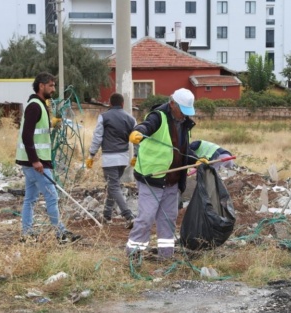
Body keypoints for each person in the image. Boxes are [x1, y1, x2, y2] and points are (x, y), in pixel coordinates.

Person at [125, 88, 206, 260]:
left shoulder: (184, 123)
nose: (184, 115)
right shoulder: (158, 116)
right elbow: (146, 126)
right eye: (182, 111)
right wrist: (138, 132)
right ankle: (133, 256)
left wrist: (197, 160)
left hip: (172, 180)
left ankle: (166, 256)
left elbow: (182, 150)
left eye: (187, 112)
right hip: (152, 178)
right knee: (146, 218)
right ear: (172, 103)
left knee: (168, 219)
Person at [15, 72, 81, 244]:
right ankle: (61, 234)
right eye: (50, 85)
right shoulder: (35, 106)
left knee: (30, 199)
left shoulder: (40, 105)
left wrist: (52, 124)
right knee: (52, 196)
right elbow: (27, 135)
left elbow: (38, 130)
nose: (53, 89)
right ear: (41, 86)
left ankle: (27, 234)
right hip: (36, 163)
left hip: (33, 161)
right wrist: (35, 160)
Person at [86, 92, 137, 228]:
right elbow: (137, 139)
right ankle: (107, 214)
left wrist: (91, 155)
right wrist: (136, 156)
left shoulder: (104, 117)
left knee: (113, 187)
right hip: (123, 159)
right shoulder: (131, 119)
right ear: (122, 104)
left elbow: (98, 137)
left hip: (109, 158)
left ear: (109, 103)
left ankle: (128, 215)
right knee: (112, 186)